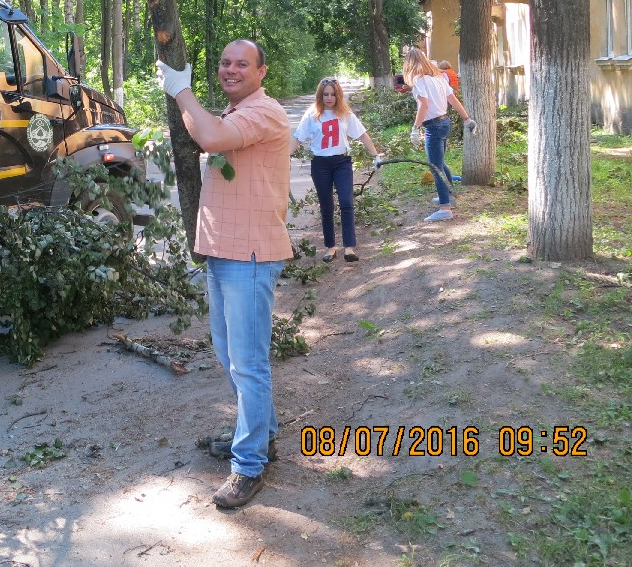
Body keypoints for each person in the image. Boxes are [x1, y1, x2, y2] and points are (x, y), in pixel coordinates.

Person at [156, 40, 291, 510]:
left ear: (262, 71)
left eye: (242, 64)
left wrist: (179, 90)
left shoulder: (265, 112)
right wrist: (186, 98)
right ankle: (262, 435)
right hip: (223, 253)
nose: (231, 69)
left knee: (248, 364)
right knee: (229, 354)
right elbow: (209, 132)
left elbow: (209, 138)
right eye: (225, 62)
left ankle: (249, 464)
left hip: (249, 256)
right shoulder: (235, 114)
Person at [291, 77, 382, 263]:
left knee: (346, 202)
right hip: (320, 165)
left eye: (333, 94)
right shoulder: (312, 114)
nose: (329, 98)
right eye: (325, 94)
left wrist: (375, 155)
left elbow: (362, 134)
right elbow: (298, 137)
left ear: (338, 95)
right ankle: (330, 247)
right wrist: (283, 157)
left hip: (342, 163)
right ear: (320, 95)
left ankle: (349, 247)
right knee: (327, 206)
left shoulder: (345, 113)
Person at [403, 48, 476, 222]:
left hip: (433, 127)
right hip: (445, 123)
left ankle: (445, 208)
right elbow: (453, 100)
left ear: (409, 64)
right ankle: (449, 196)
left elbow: (424, 106)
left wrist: (415, 128)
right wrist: (467, 119)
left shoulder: (418, 80)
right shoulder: (439, 77)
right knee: (440, 163)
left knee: (435, 167)